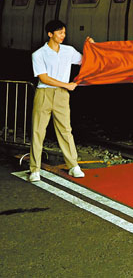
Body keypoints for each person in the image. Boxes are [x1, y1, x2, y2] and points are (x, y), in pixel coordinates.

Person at [29, 20, 94, 182]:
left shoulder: (68, 51)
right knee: (38, 131)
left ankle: (73, 166)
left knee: (65, 130)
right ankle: (34, 170)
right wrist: (67, 85)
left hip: (62, 96)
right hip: (44, 93)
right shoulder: (38, 54)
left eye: (64, 32)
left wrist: (91, 47)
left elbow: (85, 60)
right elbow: (44, 78)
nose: (63, 36)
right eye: (59, 33)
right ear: (50, 34)